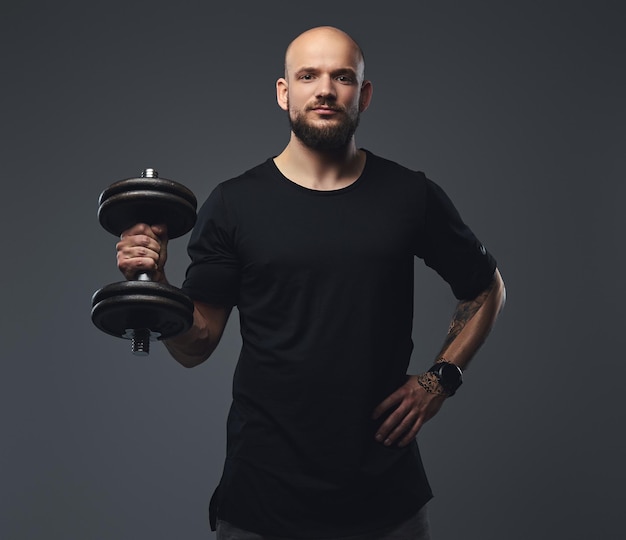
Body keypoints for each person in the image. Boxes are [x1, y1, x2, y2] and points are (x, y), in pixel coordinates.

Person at [116, 26, 505, 540]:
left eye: (342, 76)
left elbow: (486, 288)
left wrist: (440, 381)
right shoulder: (234, 204)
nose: (325, 89)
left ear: (362, 94)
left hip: (386, 502)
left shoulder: (410, 194)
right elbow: (197, 345)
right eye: (308, 75)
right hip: (262, 501)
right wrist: (157, 286)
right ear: (284, 93)